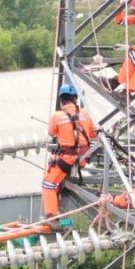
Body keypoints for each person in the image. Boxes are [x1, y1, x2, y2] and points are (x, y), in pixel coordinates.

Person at [41, 83, 99, 222]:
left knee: (48, 183)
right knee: (56, 179)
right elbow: (92, 134)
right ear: (75, 98)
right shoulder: (85, 114)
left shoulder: (57, 115)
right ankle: (56, 206)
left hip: (67, 159)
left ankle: (52, 215)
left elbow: (52, 132)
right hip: (83, 157)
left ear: (62, 99)